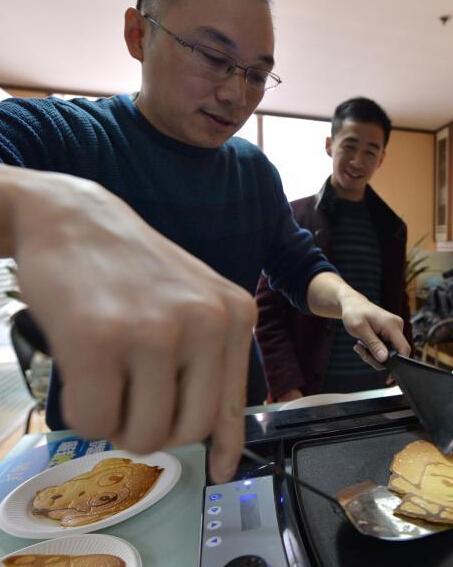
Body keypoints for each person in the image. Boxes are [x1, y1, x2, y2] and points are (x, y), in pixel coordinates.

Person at [0, 0, 409, 483]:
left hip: (233, 429)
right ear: (138, 35)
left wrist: (348, 300)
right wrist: (57, 205)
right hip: (101, 444)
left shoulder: (253, 171)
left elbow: (297, 264)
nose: (237, 94)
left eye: (257, 75)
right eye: (214, 58)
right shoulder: (70, 138)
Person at [255, 97, 413, 403]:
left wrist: (405, 364)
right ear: (330, 145)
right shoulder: (293, 218)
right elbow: (268, 312)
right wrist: (286, 386)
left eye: (371, 151)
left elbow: (398, 300)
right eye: (350, 146)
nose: (358, 161)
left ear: (381, 158)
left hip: (376, 378)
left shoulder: (392, 227)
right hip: (309, 385)